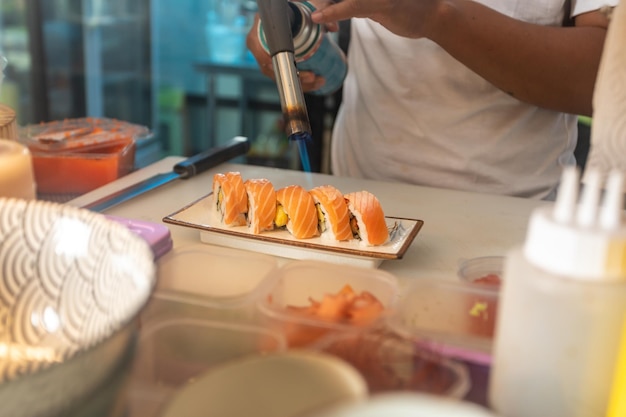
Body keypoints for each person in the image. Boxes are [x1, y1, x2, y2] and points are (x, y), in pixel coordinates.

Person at [247, 0, 618, 199]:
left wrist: (438, 16)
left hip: (509, 218)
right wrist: (288, 21)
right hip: (359, 195)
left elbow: (600, 81)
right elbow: (311, 6)